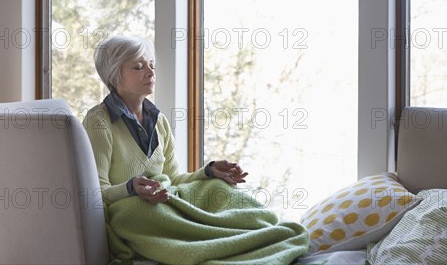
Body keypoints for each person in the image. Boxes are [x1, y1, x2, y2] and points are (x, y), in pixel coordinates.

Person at [83, 35, 308, 264]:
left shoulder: (158, 119)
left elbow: (174, 178)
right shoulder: (98, 121)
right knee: (140, 209)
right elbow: (96, 191)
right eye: (138, 67)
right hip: (131, 211)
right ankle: (225, 244)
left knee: (217, 187)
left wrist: (208, 172)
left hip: (167, 199)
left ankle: (266, 232)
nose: (150, 73)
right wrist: (132, 188)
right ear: (114, 75)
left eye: (152, 65)